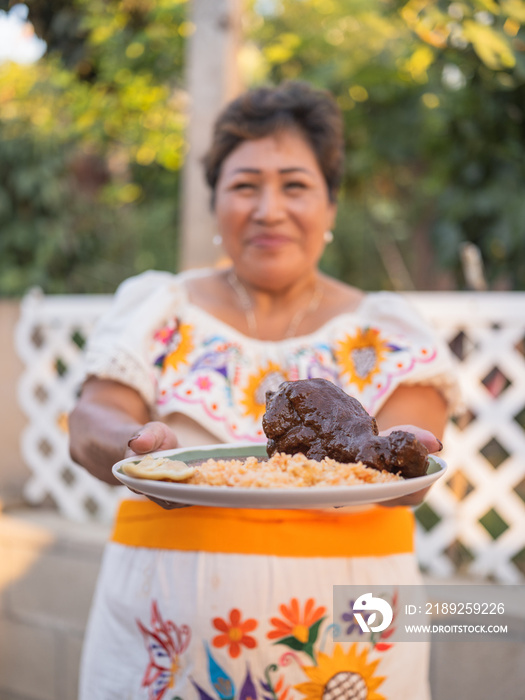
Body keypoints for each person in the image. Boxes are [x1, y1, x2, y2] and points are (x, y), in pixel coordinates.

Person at [69, 81, 460, 700]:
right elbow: (94, 414)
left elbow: (405, 467)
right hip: (162, 638)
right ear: (216, 203)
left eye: (296, 185)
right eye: (245, 185)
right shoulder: (158, 307)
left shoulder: (387, 329)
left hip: (355, 641)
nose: (269, 209)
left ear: (331, 206)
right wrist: (137, 447)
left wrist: (403, 452)